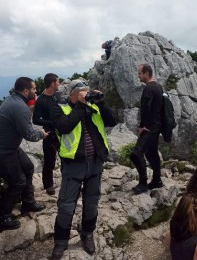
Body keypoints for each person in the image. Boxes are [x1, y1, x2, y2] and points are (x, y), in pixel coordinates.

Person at [50, 81, 118, 258]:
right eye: (83, 92)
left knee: (91, 203)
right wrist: (81, 105)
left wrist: (101, 103)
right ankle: (61, 242)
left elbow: (112, 120)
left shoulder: (93, 108)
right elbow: (65, 126)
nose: (87, 95)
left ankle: (87, 234)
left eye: (88, 92)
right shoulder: (60, 109)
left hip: (95, 163)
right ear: (73, 94)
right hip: (73, 166)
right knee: (66, 205)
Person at [0, 77, 48, 231]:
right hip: (4, 151)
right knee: (18, 182)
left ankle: (28, 204)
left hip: (10, 147)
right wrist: (41, 133)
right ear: (26, 91)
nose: (36, 92)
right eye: (34, 89)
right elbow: (30, 136)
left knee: (28, 167)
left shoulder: (12, 100)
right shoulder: (20, 107)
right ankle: (3, 216)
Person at [131, 64, 165, 194]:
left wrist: (142, 127)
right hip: (157, 126)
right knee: (151, 153)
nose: (138, 76)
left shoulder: (148, 89)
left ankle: (143, 183)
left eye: (140, 73)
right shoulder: (158, 87)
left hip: (149, 128)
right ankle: (157, 180)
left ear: (146, 73)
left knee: (136, 154)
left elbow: (146, 109)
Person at [33, 73, 62, 195]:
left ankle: (69, 179)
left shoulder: (55, 96)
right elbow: (35, 119)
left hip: (60, 132)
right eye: (58, 81)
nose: (59, 83)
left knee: (65, 156)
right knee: (49, 160)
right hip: (48, 133)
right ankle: (48, 185)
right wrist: (50, 122)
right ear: (52, 84)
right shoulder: (41, 101)